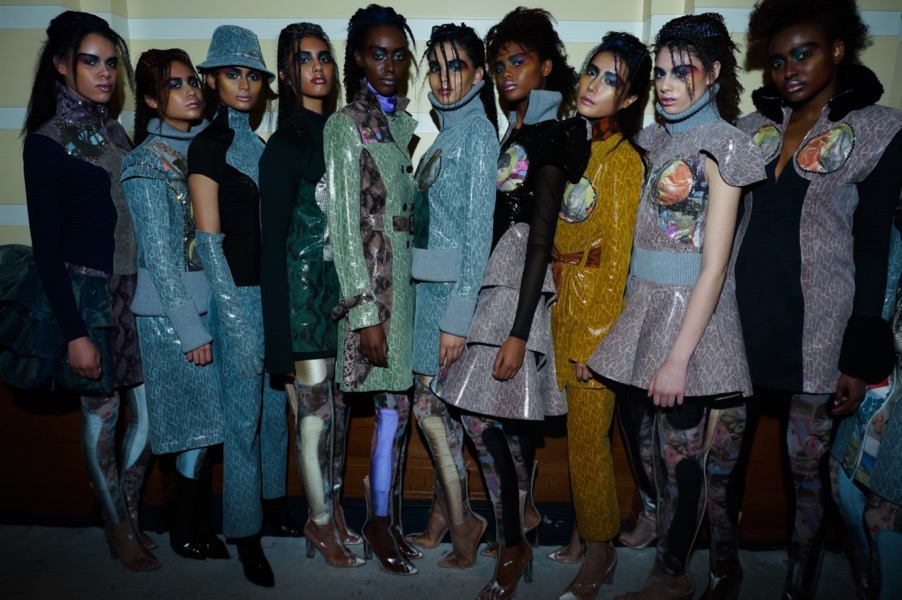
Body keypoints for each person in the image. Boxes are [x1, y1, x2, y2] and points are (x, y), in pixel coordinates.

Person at [587, 13, 765, 600]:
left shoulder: (726, 144)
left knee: (681, 455)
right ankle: (689, 549)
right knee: (650, 450)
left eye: (680, 72)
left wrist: (680, 359)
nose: (665, 84)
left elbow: (714, 265)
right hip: (644, 308)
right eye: (659, 72)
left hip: (695, 318)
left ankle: (674, 576)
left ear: (713, 73)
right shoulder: (655, 139)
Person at [734, 1, 902, 597]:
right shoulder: (752, 129)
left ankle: (797, 585)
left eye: (803, 53)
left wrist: (859, 356)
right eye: (778, 60)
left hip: (819, 329)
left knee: (806, 473)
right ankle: (720, 571)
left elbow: (874, 247)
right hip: (741, 322)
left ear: (836, 48)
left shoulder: (877, 128)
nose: (789, 70)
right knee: (720, 462)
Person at [438, 8, 590, 598]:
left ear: (546, 66)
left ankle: (512, 544)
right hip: (493, 287)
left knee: (478, 417)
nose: (506, 72)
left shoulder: (552, 134)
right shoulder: (513, 132)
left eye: (518, 61)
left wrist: (521, 332)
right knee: (493, 419)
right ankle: (518, 529)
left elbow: (541, 238)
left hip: (516, 294)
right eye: (499, 63)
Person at [16, 10, 157, 571]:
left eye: (111, 63)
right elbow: (46, 249)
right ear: (60, 65)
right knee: (103, 415)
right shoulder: (45, 143)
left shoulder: (116, 132)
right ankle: (117, 526)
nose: (104, 74)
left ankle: (130, 512)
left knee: (148, 415)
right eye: (90, 62)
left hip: (135, 293)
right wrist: (74, 332)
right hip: (88, 298)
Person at [259, 22, 364, 568]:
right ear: (287, 72)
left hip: (341, 297)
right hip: (302, 301)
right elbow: (271, 245)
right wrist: (279, 341)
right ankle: (318, 521)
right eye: (305, 59)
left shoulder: (343, 132)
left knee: (338, 412)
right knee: (315, 416)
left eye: (324, 57)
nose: (318, 67)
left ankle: (333, 511)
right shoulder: (284, 145)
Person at [550, 31, 649, 600]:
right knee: (577, 439)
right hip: (560, 306)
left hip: (593, 318)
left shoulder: (625, 161)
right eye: (592, 71)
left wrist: (596, 342)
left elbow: (617, 262)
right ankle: (585, 533)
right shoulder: (575, 147)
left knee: (590, 442)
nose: (593, 84)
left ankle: (601, 552)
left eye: (611, 80)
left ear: (629, 99)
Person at [323, 4, 419, 576]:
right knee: (388, 411)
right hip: (376, 296)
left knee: (397, 410)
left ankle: (387, 519)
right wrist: (364, 314)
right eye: (378, 54)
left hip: (405, 292)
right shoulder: (344, 125)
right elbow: (343, 226)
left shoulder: (401, 125)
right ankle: (376, 523)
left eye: (399, 55)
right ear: (359, 58)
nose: (390, 65)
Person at [121, 48, 227, 562]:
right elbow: (161, 260)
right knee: (166, 428)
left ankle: (192, 525)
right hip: (169, 319)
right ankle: (136, 524)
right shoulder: (145, 163)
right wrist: (189, 329)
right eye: (173, 85)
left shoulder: (204, 149)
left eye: (191, 82)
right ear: (149, 99)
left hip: (210, 310)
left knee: (205, 428)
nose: (190, 92)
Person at [188, 25, 282, 587]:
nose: (244, 84)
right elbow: (209, 245)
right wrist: (235, 320)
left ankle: (274, 508)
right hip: (237, 301)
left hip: (271, 298)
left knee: (274, 413)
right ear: (212, 80)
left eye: (252, 75)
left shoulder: (261, 147)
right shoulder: (207, 147)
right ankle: (245, 534)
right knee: (243, 422)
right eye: (232, 73)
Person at [406, 22, 499, 569]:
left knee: (430, 412)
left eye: (456, 66)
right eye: (436, 68)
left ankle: (466, 525)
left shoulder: (478, 134)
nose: (444, 78)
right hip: (427, 297)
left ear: (479, 73)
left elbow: (477, 233)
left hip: (449, 303)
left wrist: (458, 318)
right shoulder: (447, 133)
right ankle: (444, 518)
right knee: (440, 413)